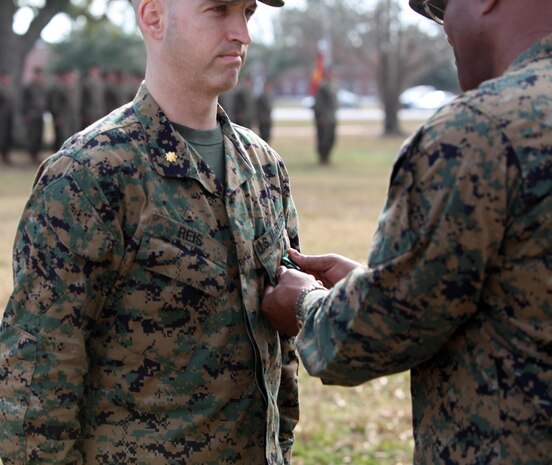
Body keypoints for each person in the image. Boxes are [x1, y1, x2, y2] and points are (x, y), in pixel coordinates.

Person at [0, 0, 299, 464]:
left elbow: (282, 355)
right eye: (219, 10)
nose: (242, 33)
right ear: (153, 16)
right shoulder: (90, 174)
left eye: (248, 11)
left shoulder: (264, 168)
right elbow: (37, 379)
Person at [261, 0, 552, 464]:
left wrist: (303, 304)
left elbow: (382, 330)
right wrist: (380, 281)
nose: (446, 28)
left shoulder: (479, 132)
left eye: (443, 8)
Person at [48, 68, 81, 151]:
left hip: (73, 117)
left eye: (73, 77)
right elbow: (55, 104)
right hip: (63, 117)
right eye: (70, 76)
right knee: (63, 137)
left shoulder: (75, 89)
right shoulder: (60, 88)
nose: (72, 79)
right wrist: (57, 117)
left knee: (74, 136)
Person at [23, 67, 48, 164]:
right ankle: (31, 154)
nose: (39, 77)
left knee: (39, 135)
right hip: (31, 115)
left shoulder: (42, 86)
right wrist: (25, 115)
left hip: (40, 115)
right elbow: (24, 102)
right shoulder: (28, 87)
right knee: (32, 136)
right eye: (38, 75)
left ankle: (36, 154)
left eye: (40, 75)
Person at [313, 68, 337, 165]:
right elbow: (319, 104)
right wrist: (320, 117)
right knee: (323, 139)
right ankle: (322, 158)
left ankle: (327, 157)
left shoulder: (333, 86)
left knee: (331, 139)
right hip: (324, 118)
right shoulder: (322, 87)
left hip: (331, 118)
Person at [81, 64, 106, 128]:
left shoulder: (101, 83)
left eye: (97, 71)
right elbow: (83, 99)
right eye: (94, 71)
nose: (95, 73)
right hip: (90, 111)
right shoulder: (86, 83)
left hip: (100, 111)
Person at [0, 70, 14, 165]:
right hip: (2, 117)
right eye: (6, 78)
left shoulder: (9, 89)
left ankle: (6, 155)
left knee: (7, 136)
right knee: (2, 136)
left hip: (8, 117)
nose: (8, 80)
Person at [256, 78, 274, 143]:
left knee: (268, 136)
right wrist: (260, 119)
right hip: (262, 121)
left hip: (268, 120)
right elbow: (258, 109)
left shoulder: (270, 95)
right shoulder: (261, 96)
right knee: (263, 136)